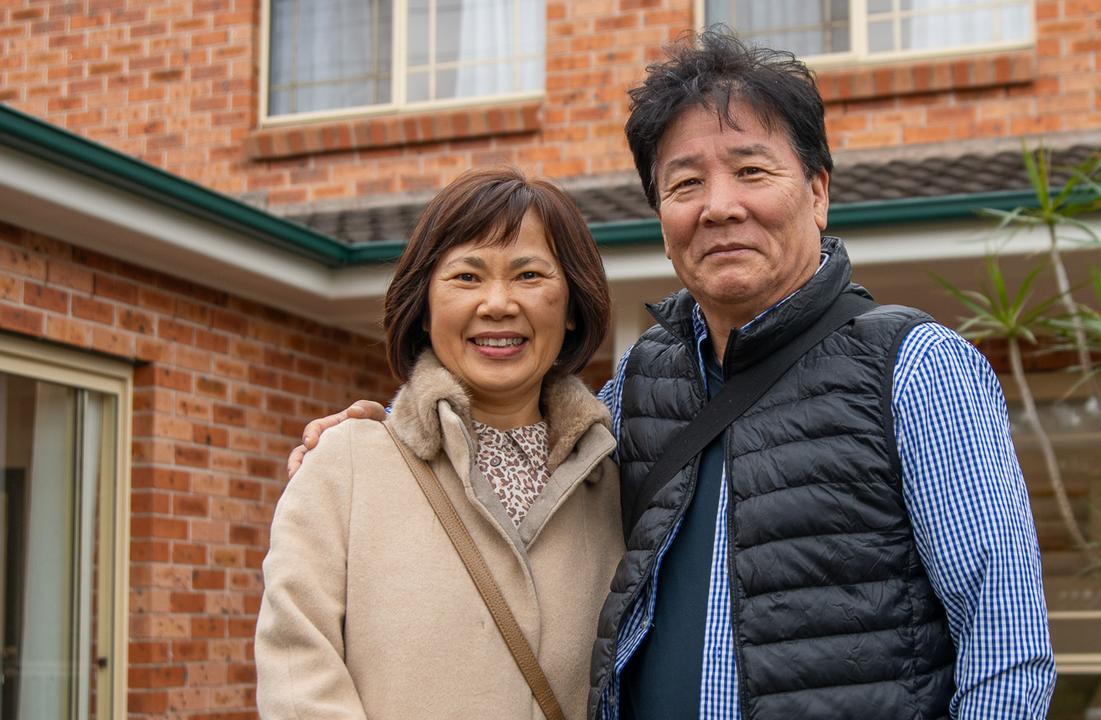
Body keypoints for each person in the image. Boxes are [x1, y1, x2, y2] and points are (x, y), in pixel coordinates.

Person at [290, 31, 1055, 720]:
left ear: (817, 190)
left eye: (750, 170)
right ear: (660, 215)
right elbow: (516, 465)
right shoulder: (635, 388)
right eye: (685, 184)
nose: (719, 207)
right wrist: (391, 438)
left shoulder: (915, 370)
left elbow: (1008, 651)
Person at [255, 167, 623, 720]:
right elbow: (296, 668)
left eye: (529, 274)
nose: (498, 303)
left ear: (571, 308)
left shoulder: (617, 479)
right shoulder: (346, 464)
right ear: (424, 309)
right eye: (467, 277)